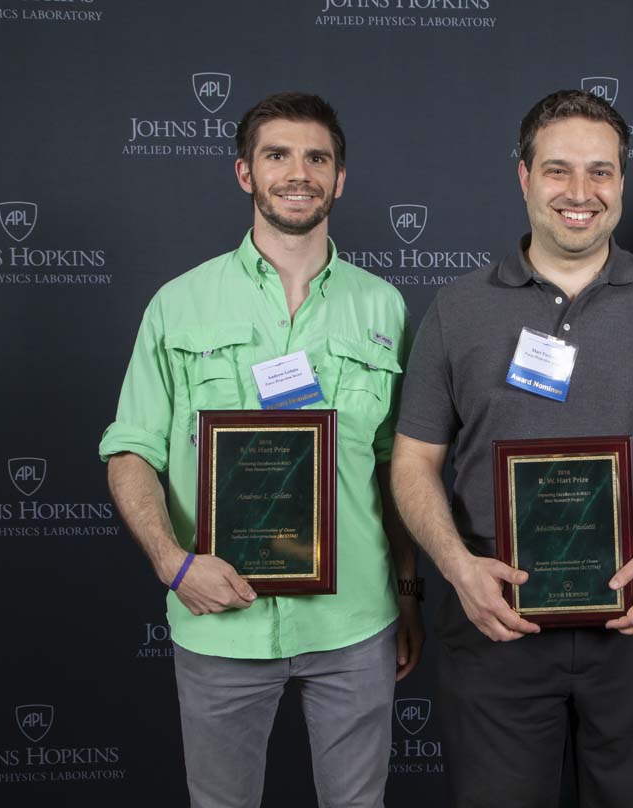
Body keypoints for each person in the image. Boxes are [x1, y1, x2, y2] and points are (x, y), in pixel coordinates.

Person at [390, 89, 633, 808]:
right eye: (557, 171)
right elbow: (413, 462)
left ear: (622, 182)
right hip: (495, 632)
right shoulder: (457, 309)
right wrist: (457, 568)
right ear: (523, 177)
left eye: (601, 171)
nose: (580, 193)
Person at [100, 92, 422, 808]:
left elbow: (397, 466)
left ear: (341, 179)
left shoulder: (383, 307)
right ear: (245, 172)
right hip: (220, 622)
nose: (297, 172)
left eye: (317, 157)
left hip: (353, 622)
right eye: (277, 155)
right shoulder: (178, 304)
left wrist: (407, 593)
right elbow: (129, 451)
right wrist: (171, 562)